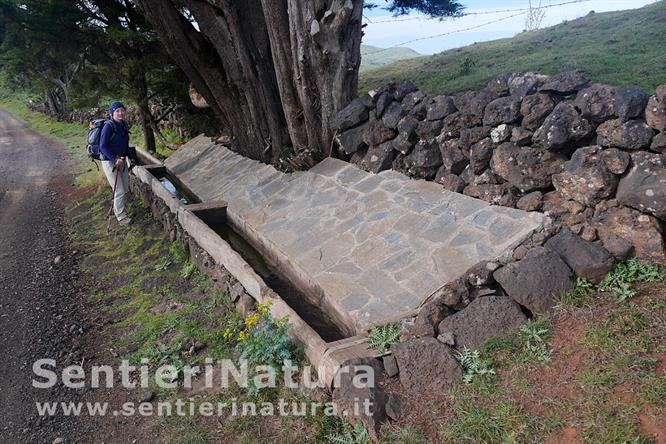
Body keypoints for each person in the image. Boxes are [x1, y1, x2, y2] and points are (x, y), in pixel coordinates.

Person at [100, 101, 135, 226]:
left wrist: (131, 158)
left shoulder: (123, 124)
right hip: (110, 162)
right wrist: (115, 159)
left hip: (122, 159)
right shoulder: (108, 126)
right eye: (117, 111)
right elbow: (102, 146)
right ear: (112, 113)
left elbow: (125, 144)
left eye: (122, 110)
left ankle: (122, 211)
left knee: (125, 188)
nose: (120, 113)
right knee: (119, 189)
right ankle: (121, 217)